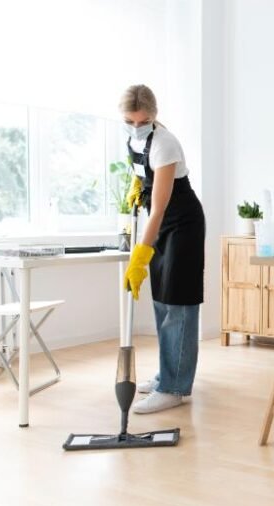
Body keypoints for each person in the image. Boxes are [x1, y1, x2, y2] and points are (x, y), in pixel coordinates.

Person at [119, 84, 206, 414]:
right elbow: (144, 178)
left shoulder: (165, 143)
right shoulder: (132, 140)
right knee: (161, 301)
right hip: (162, 225)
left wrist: (141, 256)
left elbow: (159, 208)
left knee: (178, 302)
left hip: (181, 225)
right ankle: (167, 374)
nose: (137, 127)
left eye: (143, 122)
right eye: (130, 121)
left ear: (154, 117)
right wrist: (135, 187)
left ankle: (175, 387)